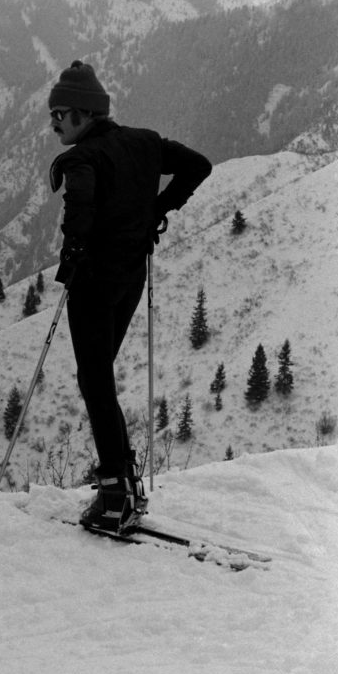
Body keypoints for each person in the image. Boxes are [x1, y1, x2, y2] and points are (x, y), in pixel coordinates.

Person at [48, 60, 212, 533]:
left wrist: (73, 252)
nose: (54, 122)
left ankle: (116, 494)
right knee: (99, 378)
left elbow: (80, 205)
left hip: (93, 281)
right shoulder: (144, 142)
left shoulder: (82, 158)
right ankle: (123, 480)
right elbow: (198, 165)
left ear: (85, 113)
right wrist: (159, 209)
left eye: (60, 113)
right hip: (130, 277)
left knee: (94, 380)